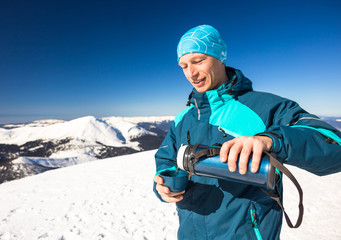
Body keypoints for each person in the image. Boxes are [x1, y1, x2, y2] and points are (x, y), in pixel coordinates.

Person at [153, 25, 341, 240]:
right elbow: (166, 159)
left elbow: (334, 145)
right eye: (183, 66)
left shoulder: (265, 107)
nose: (191, 73)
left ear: (220, 57)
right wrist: (163, 184)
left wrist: (272, 140)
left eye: (198, 61)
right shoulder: (184, 118)